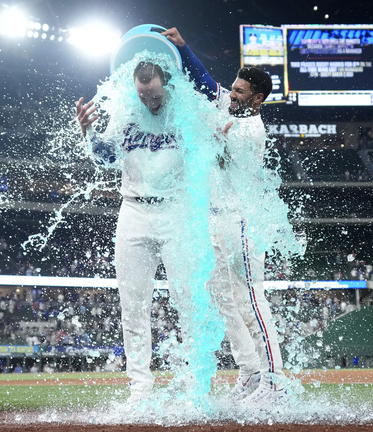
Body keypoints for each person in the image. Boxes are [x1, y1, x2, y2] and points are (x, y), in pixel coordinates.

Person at [75, 57, 224, 405]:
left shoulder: (187, 111)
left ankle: (195, 387)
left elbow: (214, 108)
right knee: (133, 305)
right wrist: (88, 132)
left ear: (166, 83)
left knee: (188, 302)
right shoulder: (127, 111)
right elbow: (104, 157)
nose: (149, 100)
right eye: (143, 94)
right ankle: (139, 388)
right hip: (134, 210)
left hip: (177, 211)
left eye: (154, 93)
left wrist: (217, 139)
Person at [162, 27, 296, 404]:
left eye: (238, 92)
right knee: (223, 297)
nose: (231, 94)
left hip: (241, 222)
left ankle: (276, 381)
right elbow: (207, 85)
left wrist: (177, 99)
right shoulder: (231, 107)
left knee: (252, 300)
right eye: (233, 89)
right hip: (215, 220)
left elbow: (208, 119)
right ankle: (250, 371)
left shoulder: (251, 130)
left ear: (257, 98)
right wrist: (184, 50)